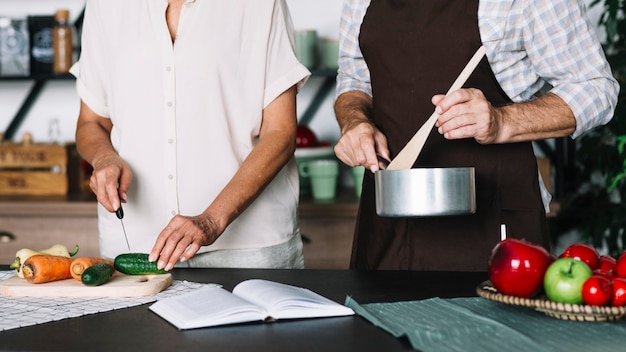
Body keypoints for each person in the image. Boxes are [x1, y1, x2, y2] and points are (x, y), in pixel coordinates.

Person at [334, 0, 619, 271]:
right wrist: (354, 120)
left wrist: (502, 121)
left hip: (491, 230)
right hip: (387, 226)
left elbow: (595, 88)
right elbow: (354, 80)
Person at [72, 0, 310, 270]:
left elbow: (280, 133)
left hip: (249, 246)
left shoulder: (261, 5)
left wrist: (212, 219)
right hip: (136, 247)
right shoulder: (105, 6)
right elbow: (91, 122)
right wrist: (104, 158)